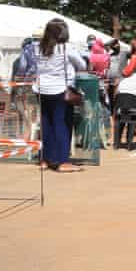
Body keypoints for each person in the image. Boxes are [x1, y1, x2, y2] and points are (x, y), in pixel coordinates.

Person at [34, 18, 87, 172]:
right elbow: (82, 65)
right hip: (61, 91)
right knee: (62, 125)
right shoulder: (66, 48)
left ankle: (45, 159)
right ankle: (63, 161)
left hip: (41, 89)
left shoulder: (38, 47)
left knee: (46, 125)